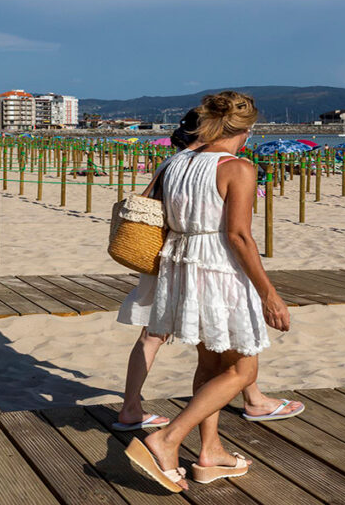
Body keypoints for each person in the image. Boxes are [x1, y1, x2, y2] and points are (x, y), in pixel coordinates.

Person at [124, 91, 293, 492]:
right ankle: (166, 440)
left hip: (181, 263)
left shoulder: (177, 161)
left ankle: (211, 451)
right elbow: (238, 235)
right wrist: (269, 293)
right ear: (247, 132)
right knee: (242, 370)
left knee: (210, 363)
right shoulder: (239, 168)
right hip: (219, 269)